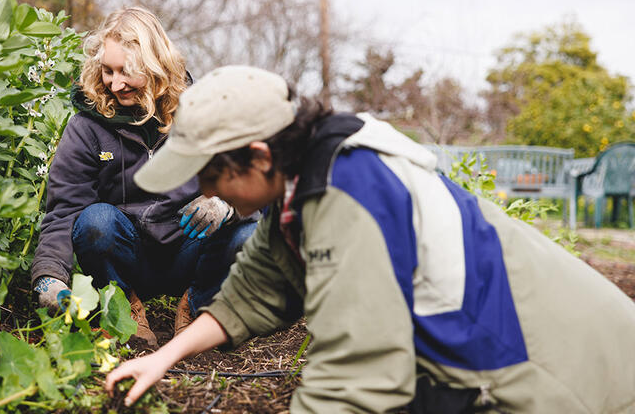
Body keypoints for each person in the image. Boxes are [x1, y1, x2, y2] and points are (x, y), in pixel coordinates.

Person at [104, 65, 635, 413]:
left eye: (211, 176)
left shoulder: (349, 195)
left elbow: (355, 376)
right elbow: (253, 290)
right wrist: (164, 357)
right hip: (494, 351)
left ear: (260, 157)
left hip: (561, 373)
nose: (203, 192)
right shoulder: (301, 184)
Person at [30, 9, 255, 348]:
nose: (115, 83)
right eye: (107, 70)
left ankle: (195, 305)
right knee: (95, 221)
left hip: (190, 251)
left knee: (248, 233)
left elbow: (251, 183)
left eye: (127, 72)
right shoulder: (86, 127)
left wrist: (227, 203)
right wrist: (49, 275)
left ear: (156, 67)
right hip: (128, 256)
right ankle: (125, 307)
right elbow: (64, 211)